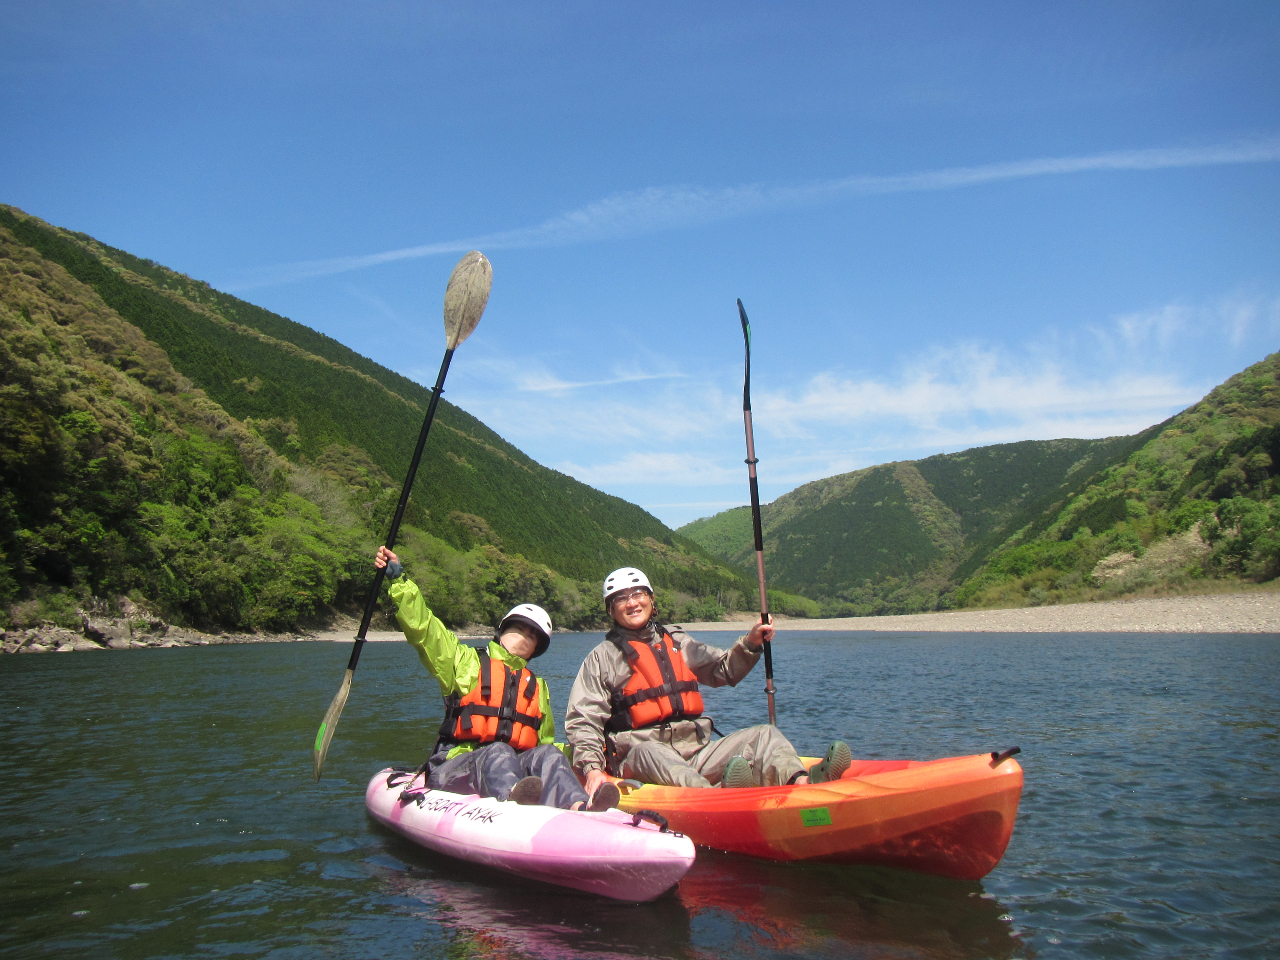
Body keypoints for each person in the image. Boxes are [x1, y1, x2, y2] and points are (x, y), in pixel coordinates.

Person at [565, 567, 851, 794]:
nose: (632, 603)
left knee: (764, 735)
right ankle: (719, 798)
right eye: (621, 599)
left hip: (696, 749)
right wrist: (591, 769)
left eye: (638, 594)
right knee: (651, 751)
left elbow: (723, 669)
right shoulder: (602, 658)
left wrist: (750, 643)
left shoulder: (677, 641)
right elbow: (583, 719)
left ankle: (803, 785)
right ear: (611, 610)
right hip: (641, 756)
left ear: (651, 599)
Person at [376, 546, 619, 811]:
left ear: (536, 647)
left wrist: (591, 751)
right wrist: (399, 581)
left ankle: (579, 807)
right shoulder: (464, 661)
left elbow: (544, 744)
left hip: (516, 767)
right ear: (502, 631)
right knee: (498, 752)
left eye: (533, 635)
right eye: (519, 628)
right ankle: (512, 798)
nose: (525, 636)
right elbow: (425, 629)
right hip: (457, 766)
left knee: (548, 755)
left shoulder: (537, 688)